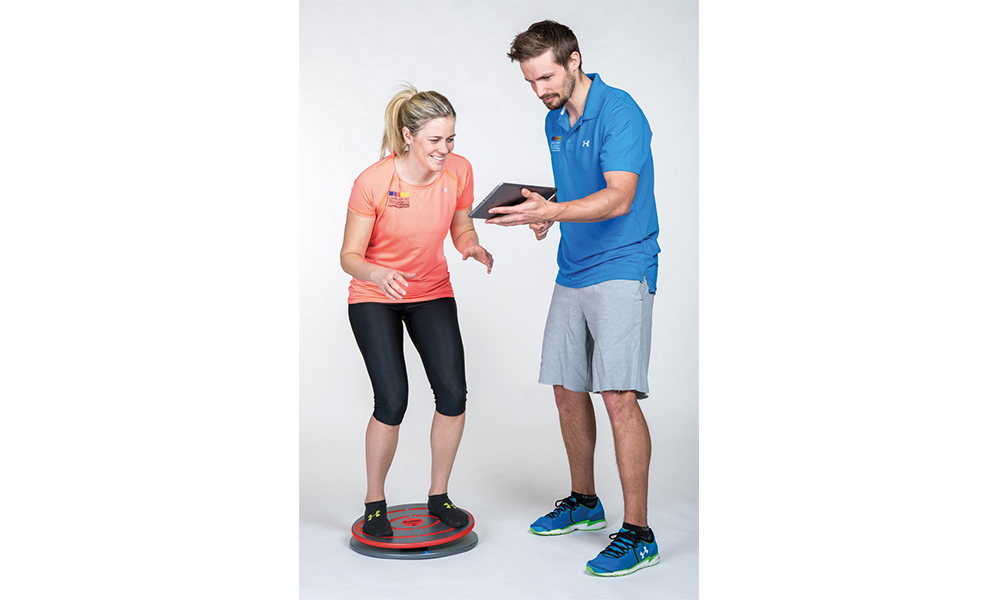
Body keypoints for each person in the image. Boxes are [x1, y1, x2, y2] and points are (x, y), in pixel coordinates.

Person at [490, 20, 661, 577]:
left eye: (546, 77)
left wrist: (554, 211)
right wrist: (546, 210)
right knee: (566, 388)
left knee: (618, 397)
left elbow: (618, 196)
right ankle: (585, 501)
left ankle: (638, 534)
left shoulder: (621, 111)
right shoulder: (554, 119)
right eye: (530, 81)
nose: (539, 90)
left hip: (623, 264)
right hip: (574, 267)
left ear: (574, 60)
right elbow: (581, 189)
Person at [340, 84, 493, 537]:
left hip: (431, 290)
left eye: (451, 139)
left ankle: (438, 495)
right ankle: (374, 502)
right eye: (434, 140)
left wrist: (471, 246)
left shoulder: (459, 171)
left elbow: (461, 228)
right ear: (408, 136)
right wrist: (377, 273)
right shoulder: (374, 181)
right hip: (375, 297)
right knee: (392, 400)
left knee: (453, 394)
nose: (445, 149)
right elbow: (349, 256)